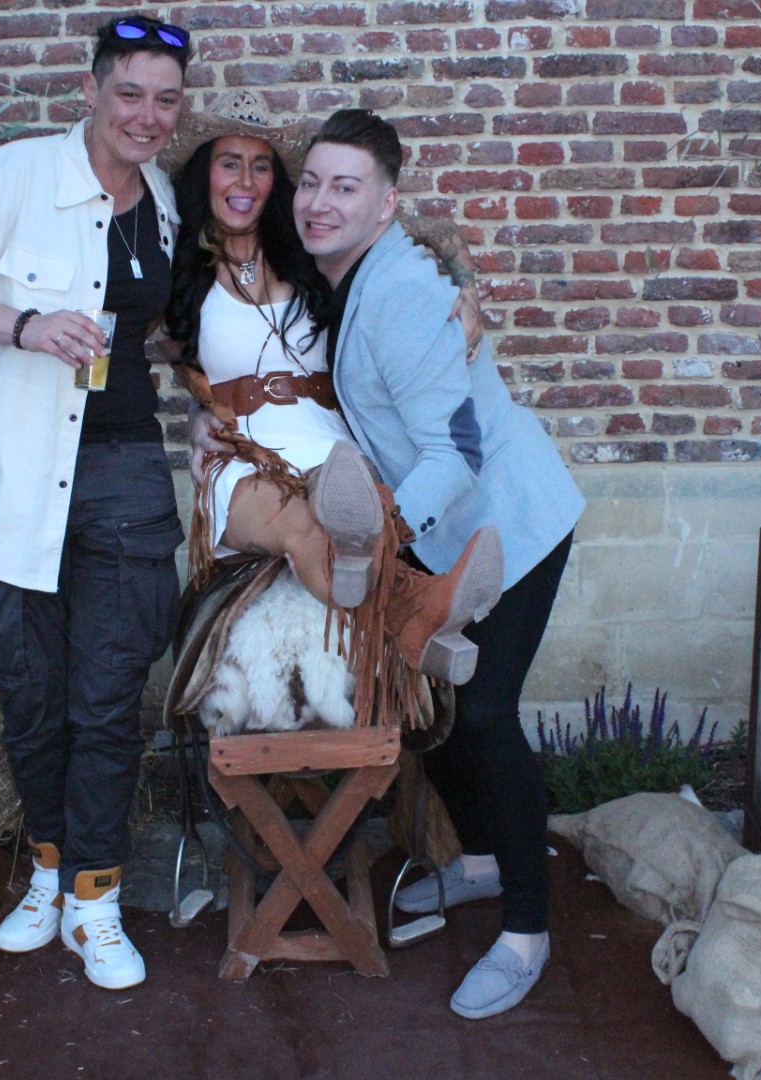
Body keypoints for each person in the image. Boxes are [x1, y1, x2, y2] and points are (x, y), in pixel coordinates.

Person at [0, 14, 195, 992]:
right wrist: (21, 327)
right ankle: (49, 872)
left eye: (165, 100)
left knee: (106, 703)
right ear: (91, 90)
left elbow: (167, 326)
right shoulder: (13, 175)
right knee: (31, 700)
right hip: (19, 474)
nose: (147, 115)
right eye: (130, 93)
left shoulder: (162, 200)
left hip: (124, 472)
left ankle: (96, 900)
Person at [290, 109, 587, 1020]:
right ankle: (485, 863)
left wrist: (382, 535)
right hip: (448, 537)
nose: (320, 202)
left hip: (513, 527)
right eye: (313, 183)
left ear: (386, 205)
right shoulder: (354, 269)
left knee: (486, 713)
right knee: (445, 715)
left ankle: (528, 931)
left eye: (346, 187)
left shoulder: (402, 295)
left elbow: (456, 452)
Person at [157, 94, 504, 689]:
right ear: (202, 174)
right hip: (244, 459)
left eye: (261, 166)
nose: (245, 181)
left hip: (331, 448)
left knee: (352, 506)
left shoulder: (308, 252)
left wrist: (467, 289)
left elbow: (435, 231)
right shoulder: (176, 271)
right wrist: (199, 415)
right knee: (301, 524)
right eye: (229, 163)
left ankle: (414, 622)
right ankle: (417, 610)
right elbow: (143, 351)